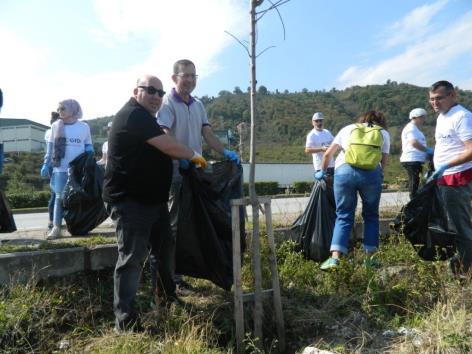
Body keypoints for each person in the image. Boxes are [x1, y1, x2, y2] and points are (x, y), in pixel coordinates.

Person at [103, 74, 208, 332]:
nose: (156, 97)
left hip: (152, 201)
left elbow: (158, 148)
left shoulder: (146, 119)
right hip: (130, 202)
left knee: (163, 251)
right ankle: (125, 322)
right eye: (150, 90)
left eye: (160, 93)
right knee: (131, 259)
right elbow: (168, 145)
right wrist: (194, 155)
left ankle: (166, 298)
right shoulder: (133, 115)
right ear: (135, 91)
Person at [157, 59, 239, 293]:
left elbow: (208, 134)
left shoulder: (199, 105)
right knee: (174, 223)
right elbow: (164, 135)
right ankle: (171, 278)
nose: (191, 80)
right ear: (175, 78)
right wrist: (182, 156)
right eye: (186, 76)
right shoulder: (167, 103)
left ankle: (183, 271)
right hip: (175, 169)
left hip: (195, 170)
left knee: (190, 222)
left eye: (194, 76)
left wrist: (225, 152)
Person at [315, 110, 390, 270]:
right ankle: (370, 259)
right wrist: (378, 175)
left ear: (361, 119)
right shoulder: (383, 133)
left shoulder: (347, 128)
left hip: (344, 173)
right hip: (371, 175)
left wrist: (322, 172)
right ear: (380, 121)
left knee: (343, 215)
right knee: (371, 215)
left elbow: (328, 154)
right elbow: (384, 161)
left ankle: (335, 259)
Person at [428, 80, 472, 276]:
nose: (435, 103)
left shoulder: (462, 116)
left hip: (457, 177)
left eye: (439, 98)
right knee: (450, 225)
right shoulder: (442, 117)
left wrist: (447, 165)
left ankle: (462, 272)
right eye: (431, 99)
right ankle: (458, 267)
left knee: (459, 226)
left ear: (452, 95)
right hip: (443, 178)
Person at [41, 99, 93, 240]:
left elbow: (88, 146)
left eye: (63, 108)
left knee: (78, 198)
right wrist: (47, 163)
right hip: (60, 168)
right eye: (58, 109)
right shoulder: (55, 126)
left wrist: (91, 159)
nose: (60, 111)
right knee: (59, 197)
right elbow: (50, 147)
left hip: (78, 169)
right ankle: (56, 228)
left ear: (73, 109)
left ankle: (78, 225)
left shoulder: (84, 127)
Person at [400, 108, 434, 199]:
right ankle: (413, 203)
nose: (424, 120)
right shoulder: (411, 128)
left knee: (416, 181)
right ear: (417, 117)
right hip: (412, 159)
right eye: (423, 118)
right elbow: (413, 143)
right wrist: (427, 150)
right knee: (414, 182)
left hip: (416, 159)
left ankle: (414, 201)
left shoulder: (415, 129)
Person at [43, 111, 60, 231]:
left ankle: (55, 220)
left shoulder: (52, 131)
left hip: (57, 164)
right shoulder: (50, 132)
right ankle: (52, 220)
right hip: (54, 165)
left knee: (58, 194)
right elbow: (50, 152)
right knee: (55, 194)